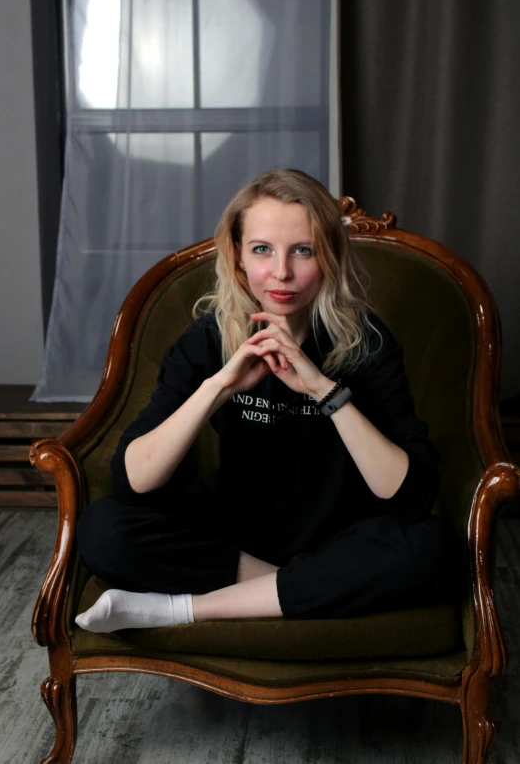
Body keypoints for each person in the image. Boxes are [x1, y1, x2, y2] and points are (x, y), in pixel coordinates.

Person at [75, 168, 458, 634]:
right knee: (102, 530)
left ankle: (180, 610)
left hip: (343, 534)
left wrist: (324, 390)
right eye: (262, 250)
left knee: (431, 547)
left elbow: (411, 499)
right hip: (236, 536)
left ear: (330, 257)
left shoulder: (367, 344)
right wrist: (218, 386)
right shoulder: (207, 339)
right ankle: (301, 589)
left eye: (303, 250)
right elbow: (132, 482)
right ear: (237, 258)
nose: (282, 272)